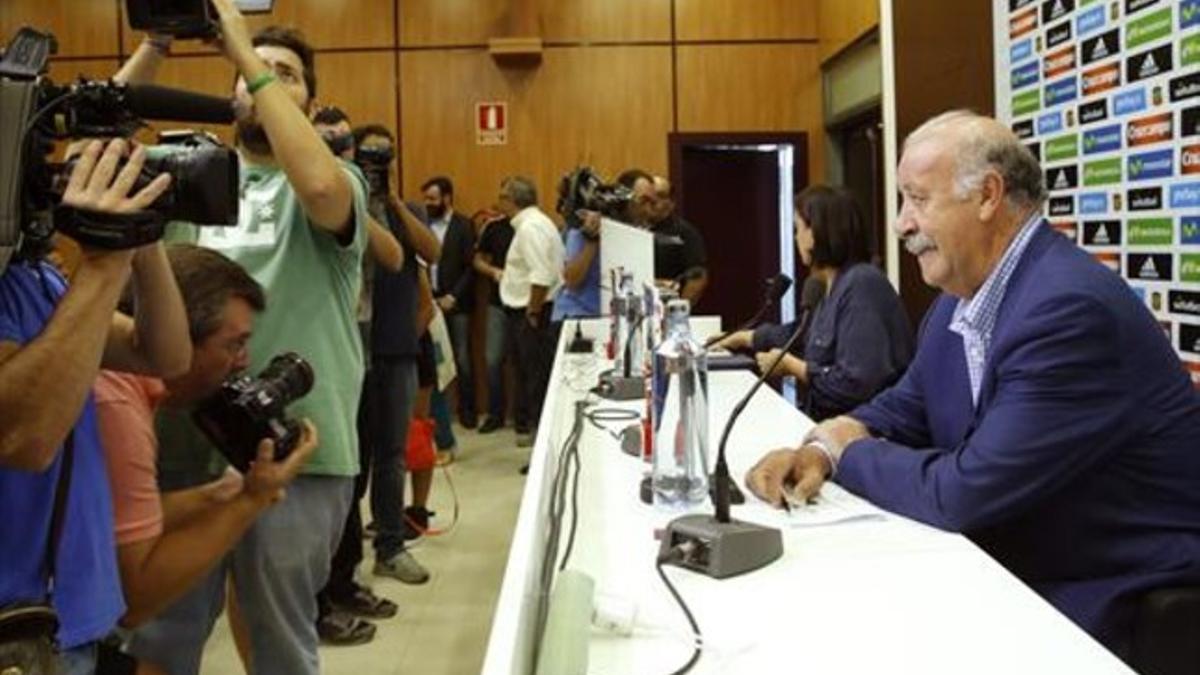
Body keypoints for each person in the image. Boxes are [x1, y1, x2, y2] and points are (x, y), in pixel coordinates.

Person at [745, 110, 1200, 657]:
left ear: (988, 195)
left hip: (1105, 595)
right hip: (1020, 559)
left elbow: (966, 492)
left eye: (917, 199)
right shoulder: (959, 303)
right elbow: (907, 406)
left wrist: (847, 453)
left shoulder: (1067, 310)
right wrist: (821, 444)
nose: (900, 224)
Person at [130, 4, 373, 673]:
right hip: (182, 443)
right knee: (159, 637)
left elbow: (320, 183)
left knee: (280, 642)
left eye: (284, 74)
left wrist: (242, 49)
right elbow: (103, 140)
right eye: (251, 71)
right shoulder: (185, 174)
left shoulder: (334, 181)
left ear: (310, 102)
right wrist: (156, 43)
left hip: (297, 451)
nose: (262, 78)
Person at [0, 135, 191, 675]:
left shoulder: (33, 274)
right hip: (18, 626)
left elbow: (163, 352)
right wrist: (104, 265)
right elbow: (25, 437)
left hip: (73, 611)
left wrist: (141, 237)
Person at [95, 245, 316, 635]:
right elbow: (135, 596)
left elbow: (113, 525)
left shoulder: (116, 379)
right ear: (176, 335)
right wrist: (251, 501)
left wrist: (226, 492)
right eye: (234, 344)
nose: (244, 362)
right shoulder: (115, 404)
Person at [311, 108, 406, 645]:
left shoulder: (359, 199)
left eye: (346, 148)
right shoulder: (302, 194)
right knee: (330, 478)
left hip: (363, 345)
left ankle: (344, 580)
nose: (350, 160)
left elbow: (395, 257)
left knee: (354, 467)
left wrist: (372, 196)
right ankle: (320, 595)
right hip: (321, 344)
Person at [714, 186, 913, 421]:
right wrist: (741, 337)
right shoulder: (830, 285)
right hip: (828, 425)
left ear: (817, 232)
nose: (796, 237)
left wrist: (793, 367)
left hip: (864, 436)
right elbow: (798, 334)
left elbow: (858, 383)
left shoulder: (862, 284)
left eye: (798, 229)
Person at [353, 123, 435, 585]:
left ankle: (390, 546)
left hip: (396, 349)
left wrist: (394, 202)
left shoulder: (407, 211)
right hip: (350, 350)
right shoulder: (342, 206)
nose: (375, 169)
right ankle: (341, 562)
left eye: (383, 161)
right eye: (368, 160)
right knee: (352, 460)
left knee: (391, 456)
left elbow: (433, 252)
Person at [496, 176, 565, 453]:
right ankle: (539, 442)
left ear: (512, 201)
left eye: (502, 196)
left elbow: (541, 275)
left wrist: (533, 311)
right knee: (531, 377)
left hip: (534, 312)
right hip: (534, 309)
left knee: (535, 380)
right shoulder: (535, 223)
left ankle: (541, 448)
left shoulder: (530, 228)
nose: (498, 201)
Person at [423, 176, 478, 429]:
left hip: (457, 303)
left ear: (447, 198)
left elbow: (470, 267)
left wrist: (453, 296)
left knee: (462, 357)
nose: (428, 203)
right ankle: (438, 415)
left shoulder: (463, 225)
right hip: (428, 302)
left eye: (433, 198)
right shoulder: (421, 223)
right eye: (426, 198)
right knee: (433, 360)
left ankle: (468, 412)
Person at [617, 170, 709, 303]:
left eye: (660, 196)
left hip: (669, 308)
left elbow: (698, 278)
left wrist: (677, 308)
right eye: (648, 197)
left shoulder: (684, 232)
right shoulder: (630, 228)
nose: (653, 202)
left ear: (671, 203)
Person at [473, 210, 526, 435]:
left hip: (524, 303)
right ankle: (496, 413)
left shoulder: (530, 226)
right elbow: (477, 260)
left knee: (522, 362)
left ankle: (523, 417)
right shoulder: (494, 228)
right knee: (492, 359)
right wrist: (493, 271)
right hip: (497, 302)